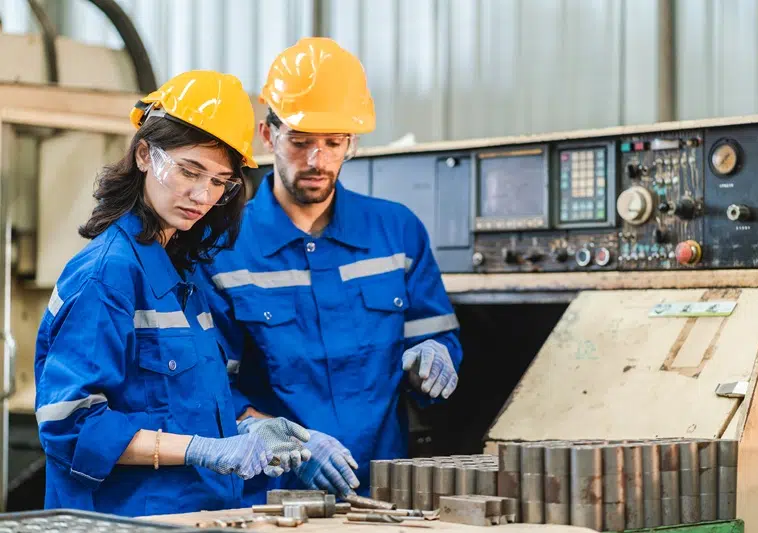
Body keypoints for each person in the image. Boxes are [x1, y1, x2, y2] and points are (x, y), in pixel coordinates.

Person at [193, 38, 463, 504]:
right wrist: (293, 444)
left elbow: (434, 339)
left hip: (387, 493)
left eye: (333, 143)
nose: (316, 161)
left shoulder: (396, 232)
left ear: (351, 142)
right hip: (271, 501)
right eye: (299, 142)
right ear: (267, 135)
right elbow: (210, 391)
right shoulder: (224, 248)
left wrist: (436, 358)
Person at [34, 70, 310, 517]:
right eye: (189, 170)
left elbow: (178, 403)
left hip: (197, 514)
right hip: (125, 520)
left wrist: (247, 428)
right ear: (145, 154)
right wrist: (204, 450)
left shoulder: (182, 271)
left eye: (220, 181)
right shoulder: (107, 276)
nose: (201, 195)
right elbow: (70, 424)